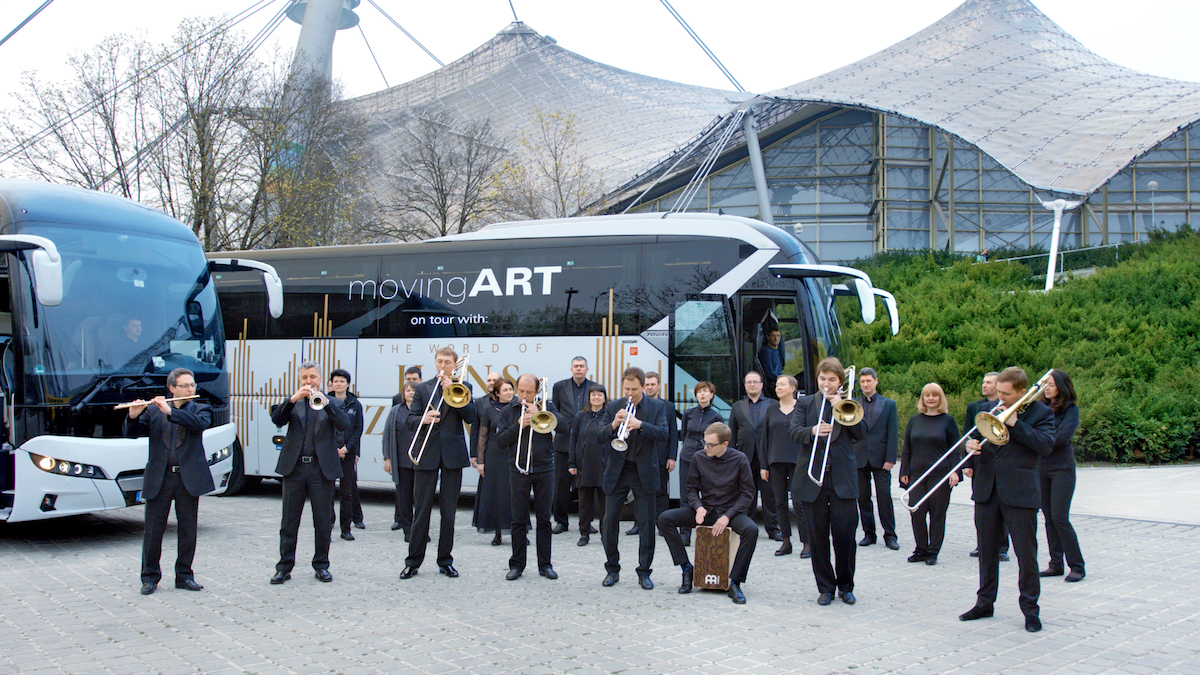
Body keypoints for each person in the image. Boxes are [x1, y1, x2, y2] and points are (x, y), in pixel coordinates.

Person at [960, 367, 1055, 633]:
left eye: (1005, 393)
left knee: (1026, 555)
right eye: (998, 391)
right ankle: (984, 603)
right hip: (987, 490)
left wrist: (1015, 424)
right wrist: (969, 447)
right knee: (987, 552)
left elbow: (1045, 445)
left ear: (1022, 392)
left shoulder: (1041, 414)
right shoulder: (992, 409)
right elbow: (974, 438)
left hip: (1020, 492)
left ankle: (1030, 610)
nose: (999, 398)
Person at [126, 368, 213, 595]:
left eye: (192, 385)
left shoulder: (201, 408)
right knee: (153, 530)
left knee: (187, 530)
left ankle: (184, 576)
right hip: (160, 477)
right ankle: (149, 577)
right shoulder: (154, 412)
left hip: (187, 478)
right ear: (172, 388)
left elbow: (199, 424)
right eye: (184, 385)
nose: (190, 389)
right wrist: (133, 415)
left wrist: (170, 412)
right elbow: (131, 433)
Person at [789, 357, 864, 606]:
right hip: (813, 480)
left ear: (840, 381)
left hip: (842, 479)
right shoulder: (806, 402)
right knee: (818, 539)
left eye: (832, 380)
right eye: (823, 379)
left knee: (845, 537)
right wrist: (812, 430)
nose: (826, 384)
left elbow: (861, 433)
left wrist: (840, 405)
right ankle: (825, 588)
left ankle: (846, 586)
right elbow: (793, 431)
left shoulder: (850, 403)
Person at [658, 422, 758, 604]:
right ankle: (687, 569)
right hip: (706, 510)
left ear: (725, 444)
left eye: (711, 445)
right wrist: (698, 507)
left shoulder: (740, 459)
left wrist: (728, 516)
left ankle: (735, 581)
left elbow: (748, 493)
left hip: (730, 513)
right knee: (665, 519)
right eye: (705, 443)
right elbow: (691, 489)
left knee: (751, 530)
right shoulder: (699, 457)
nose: (706, 447)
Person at [270, 361, 350, 584]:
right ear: (299, 379)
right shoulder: (292, 402)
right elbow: (277, 419)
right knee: (289, 521)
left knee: (322, 521)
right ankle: (284, 567)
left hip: (320, 468)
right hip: (294, 468)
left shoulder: (332, 402)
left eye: (312, 377)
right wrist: (293, 399)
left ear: (320, 379)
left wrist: (326, 404)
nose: (308, 381)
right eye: (304, 377)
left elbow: (344, 424)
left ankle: (321, 565)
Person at [401, 348, 476, 580]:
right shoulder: (423, 388)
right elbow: (410, 420)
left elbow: (471, 417)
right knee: (422, 510)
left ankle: (445, 560)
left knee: (449, 512)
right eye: (439, 361)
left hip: (452, 454)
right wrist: (423, 419)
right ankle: (413, 562)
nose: (442, 365)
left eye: (447, 362)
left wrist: (450, 391)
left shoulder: (464, 387)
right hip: (427, 452)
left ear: (455, 365)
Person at [595, 366, 668, 589]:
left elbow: (664, 433)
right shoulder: (614, 406)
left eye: (634, 389)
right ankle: (612, 568)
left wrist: (641, 425)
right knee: (609, 524)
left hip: (643, 471)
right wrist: (615, 424)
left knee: (646, 524)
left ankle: (644, 572)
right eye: (626, 388)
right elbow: (598, 436)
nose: (630, 393)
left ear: (643, 386)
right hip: (618, 470)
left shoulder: (657, 406)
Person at [497, 374, 565, 580]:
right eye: (521, 391)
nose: (524, 396)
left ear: (537, 392)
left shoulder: (548, 406)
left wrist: (541, 412)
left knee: (544, 519)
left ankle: (545, 565)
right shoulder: (509, 411)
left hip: (545, 469)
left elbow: (565, 427)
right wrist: (519, 424)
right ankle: (517, 564)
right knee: (518, 519)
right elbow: (500, 441)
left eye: (529, 392)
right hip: (518, 469)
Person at [899, 383, 961, 566]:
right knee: (916, 512)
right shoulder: (914, 420)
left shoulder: (948, 420)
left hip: (940, 475)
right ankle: (921, 548)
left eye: (934, 395)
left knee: (937, 514)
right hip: (917, 473)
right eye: (927, 395)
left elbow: (955, 449)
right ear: (923, 399)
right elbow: (906, 448)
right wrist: (904, 472)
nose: (931, 398)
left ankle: (933, 551)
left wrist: (955, 471)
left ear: (940, 398)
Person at [1039, 369, 1085, 582]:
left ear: (1061, 386)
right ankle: (1055, 564)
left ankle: (1077, 566)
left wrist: (1038, 439)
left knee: (1060, 517)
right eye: (1045, 384)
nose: (1046, 387)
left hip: (1062, 468)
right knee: (1048, 518)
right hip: (1041, 468)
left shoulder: (1070, 410)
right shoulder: (1039, 408)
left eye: (1051, 384)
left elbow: (1062, 437)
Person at [729, 371, 780, 540]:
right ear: (744, 385)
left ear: (761, 384)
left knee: (769, 494)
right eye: (748, 382)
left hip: (767, 456)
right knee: (746, 493)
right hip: (744, 456)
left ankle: (773, 529)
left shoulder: (773, 405)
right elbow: (732, 434)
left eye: (755, 381)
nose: (752, 384)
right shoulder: (737, 406)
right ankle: (748, 528)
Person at [965, 372, 1010, 561]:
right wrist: (967, 464)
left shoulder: (1009, 408)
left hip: (1002, 463)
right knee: (982, 505)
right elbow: (968, 436)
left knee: (1003, 505)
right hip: (980, 462)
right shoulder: (975, 407)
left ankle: (1002, 546)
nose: (984, 385)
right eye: (983, 382)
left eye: (989, 382)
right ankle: (982, 542)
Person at [854, 367, 900, 550]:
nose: (865, 384)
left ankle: (890, 535)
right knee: (863, 498)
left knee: (884, 497)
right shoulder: (853, 403)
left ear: (876, 381)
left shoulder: (889, 404)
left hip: (881, 459)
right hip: (859, 458)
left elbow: (892, 432)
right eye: (863, 382)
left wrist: (890, 458)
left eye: (868, 381)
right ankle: (869, 534)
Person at [759, 375, 803, 557]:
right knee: (780, 503)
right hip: (775, 461)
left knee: (800, 502)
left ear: (793, 388)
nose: (778, 387)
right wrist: (764, 465)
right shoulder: (771, 410)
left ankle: (806, 541)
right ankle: (786, 541)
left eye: (782, 385)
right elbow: (765, 439)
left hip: (798, 462)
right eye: (776, 385)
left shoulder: (802, 409)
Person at [551, 357, 595, 534]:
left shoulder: (595, 388)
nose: (578, 369)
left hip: (586, 444)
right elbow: (555, 411)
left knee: (587, 486)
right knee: (561, 485)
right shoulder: (559, 387)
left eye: (581, 366)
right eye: (576, 366)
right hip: (563, 441)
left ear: (587, 369)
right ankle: (561, 521)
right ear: (571, 369)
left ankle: (586, 522)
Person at [677, 381, 724, 546]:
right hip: (688, 457)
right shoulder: (688, 413)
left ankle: (707, 529)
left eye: (706, 391)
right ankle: (685, 534)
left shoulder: (717, 417)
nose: (702, 394)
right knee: (686, 495)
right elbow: (684, 435)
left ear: (712, 395)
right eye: (699, 392)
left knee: (707, 495)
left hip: (707, 460)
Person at [472, 374, 515, 546]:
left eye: (511, 389)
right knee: (496, 495)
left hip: (513, 455)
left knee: (515, 494)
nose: (509, 392)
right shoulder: (489, 411)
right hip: (494, 456)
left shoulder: (519, 407)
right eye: (505, 390)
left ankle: (519, 530)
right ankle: (498, 532)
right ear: (497, 393)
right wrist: (480, 461)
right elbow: (482, 437)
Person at [634, 371, 677, 538]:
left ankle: (661, 524)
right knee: (640, 491)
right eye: (647, 384)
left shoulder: (668, 406)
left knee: (661, 492)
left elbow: (673, 433)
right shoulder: (637, 404)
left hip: (661, 456)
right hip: (641, 454)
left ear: (659, 385)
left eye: (653, 384)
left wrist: (672, 457)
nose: (650, 387)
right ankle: (639, 524)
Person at [569, 384, 609, 546]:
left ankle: (605, 534)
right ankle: (584, 533)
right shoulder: (581, 416)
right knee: (584, 504)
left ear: (605, 398)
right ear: (589, 397)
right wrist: (572, 463)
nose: (596, 398)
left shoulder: (609, 416)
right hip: (584, 465)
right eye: (593, 395)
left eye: (600, 395)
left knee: (605, 504)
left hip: (603, 465)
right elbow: (573, 440)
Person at [329, 369, 365, 540]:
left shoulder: (355, 404)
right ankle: (328, 526)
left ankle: (346, 528)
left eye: (342, 381)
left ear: (348, 384)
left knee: (347, 492)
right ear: (332, 383)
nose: (339, 384)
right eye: (336, 381)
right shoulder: (324, 401)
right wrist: (333, 448)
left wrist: (348, 448)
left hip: (348, 454)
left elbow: (358, 429)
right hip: (329, 453)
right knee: (327, 492)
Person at [382, 381, 417, 540]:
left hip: (420, 461)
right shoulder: (396, 411)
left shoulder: (423, 410)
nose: (411, 393)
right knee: (404, 497)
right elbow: (387, 435)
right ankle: (407, 530)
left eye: (413, 390)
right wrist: (387, 458)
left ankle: (419, 530)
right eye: (408, 390)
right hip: (402, 461)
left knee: (421, 498)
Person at [757, 328, 785, 393]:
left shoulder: (776, 351)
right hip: (771, 384)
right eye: (773, 336)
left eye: (778, 336)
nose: (776, 338)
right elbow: (769, 372)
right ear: (768, 337)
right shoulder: (766, 352)